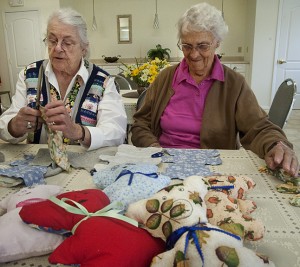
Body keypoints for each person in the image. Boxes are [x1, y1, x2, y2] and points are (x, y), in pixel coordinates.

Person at [131, 2, 299, 177]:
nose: (194, 54)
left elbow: (258, 127)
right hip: (164, 166)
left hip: (215, 171)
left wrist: (276, 144)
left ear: (217, 42)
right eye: (187, 46)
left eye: (202, 46)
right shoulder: (166, 78)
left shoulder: (234, 84)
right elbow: (141, 123)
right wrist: (154, 148)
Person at [0, 8, 127, 151]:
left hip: (84, 167)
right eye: (52, 40)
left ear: (84, 48)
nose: (57, 48)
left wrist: (78, 131)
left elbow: (116, 133)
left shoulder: (102, 81)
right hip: (37, 167)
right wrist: (14, 126)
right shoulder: (30, 75)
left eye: (67, 43)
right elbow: (4, 126)